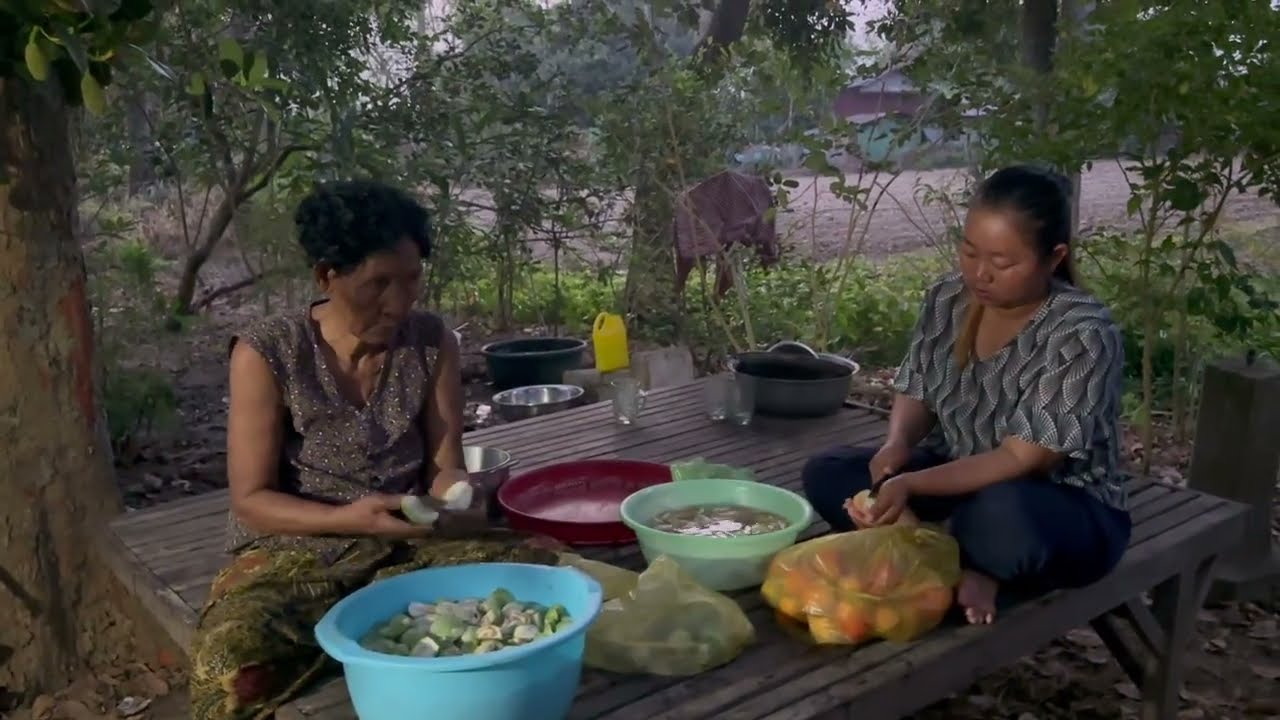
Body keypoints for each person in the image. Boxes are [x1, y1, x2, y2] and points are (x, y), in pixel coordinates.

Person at [188, 180, 563, 719]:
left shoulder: (433, 342)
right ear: (326, 276)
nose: (399, 302)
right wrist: (349, 518)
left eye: (411, 280)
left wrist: (457, 497)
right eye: (378, 284)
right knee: (228, 661)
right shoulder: (267, 351)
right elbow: (251, 499)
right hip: (301, 546)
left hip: (410, 541)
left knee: (550, 573)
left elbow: (443, 464)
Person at [801, 165, 1131, 626]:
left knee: (999, 515)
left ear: (1053, 258)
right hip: (958, 479)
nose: (980, 274)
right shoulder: (948, 299)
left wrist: (911, 485)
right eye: (970, 251)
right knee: (831, 472)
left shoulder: (1081, 332)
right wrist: (897, 445)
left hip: (1058, 505)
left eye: (1002, 263)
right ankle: (936, 553)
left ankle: (951, 556)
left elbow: (1022, 460)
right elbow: (917, 387)